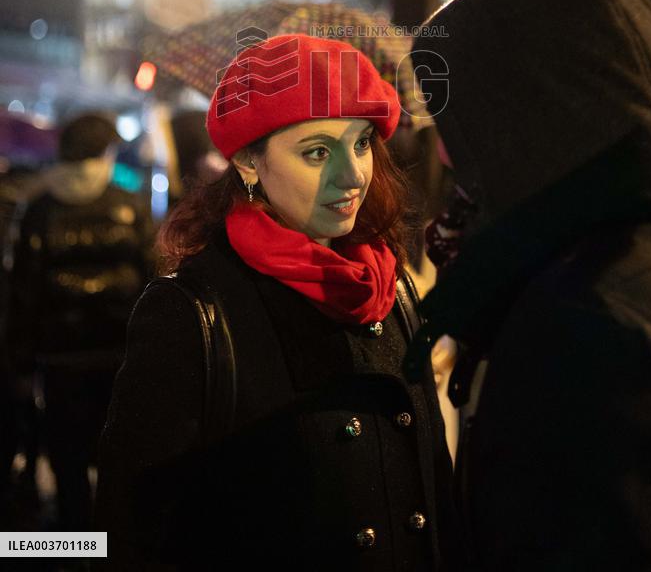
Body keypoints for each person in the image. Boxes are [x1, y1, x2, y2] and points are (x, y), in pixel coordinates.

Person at [95, 34, 460, 571]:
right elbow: (124, 528)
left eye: (361, 143)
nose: (353, 174)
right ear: (247, 160)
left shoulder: (390, 287)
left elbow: (433, 492)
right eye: (317, 152)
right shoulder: (194, 312)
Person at [404, 0, 651, 571]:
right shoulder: (622, 255)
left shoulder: (582, 321)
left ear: (527, 112)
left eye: (458, 120)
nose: (445, 151)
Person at [8, 112, 152, 530]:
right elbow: (152, 284)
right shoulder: (130, 205)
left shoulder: (39, 210)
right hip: (119, 358)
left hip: (60, 360)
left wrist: (20, 364)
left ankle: (75, 546)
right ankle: (114, 546)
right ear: (105, 152)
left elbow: (24, 293)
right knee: (118, 456)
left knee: (67, 460)